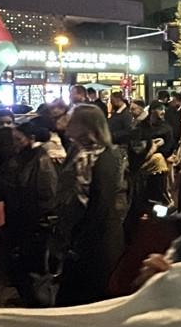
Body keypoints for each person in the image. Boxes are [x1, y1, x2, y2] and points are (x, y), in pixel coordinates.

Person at [51, 105, 128, 306]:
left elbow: (101, 204)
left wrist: (80, 241)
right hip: (76, 237)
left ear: (85, 126)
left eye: (71, 120)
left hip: (95, 243)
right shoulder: (78, 151)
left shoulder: (105, 156)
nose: (66, 123)